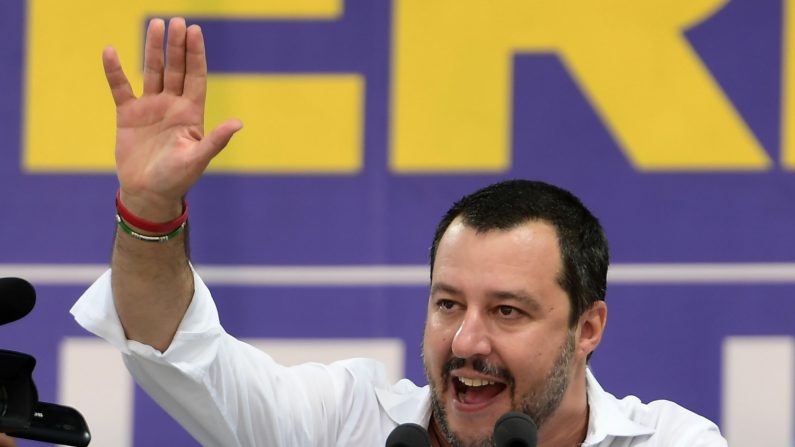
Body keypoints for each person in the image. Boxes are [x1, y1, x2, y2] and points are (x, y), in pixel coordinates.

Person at [70, 17, 728, 447]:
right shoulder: (343, 423)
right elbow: (177, 349)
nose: (467, 340)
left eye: (506, 310)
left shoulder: (674, 441)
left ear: (587, 327)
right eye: (448, 303)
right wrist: (150, 208)